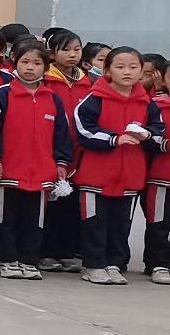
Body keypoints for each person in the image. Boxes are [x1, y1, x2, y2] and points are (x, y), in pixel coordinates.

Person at [0, 40, 71, 280]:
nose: (30, 68)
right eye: (25, 62)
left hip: (41, 172)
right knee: (5, 217)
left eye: (37, 63)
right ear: (14, 63)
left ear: (46, 67)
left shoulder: (53, 99)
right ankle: (7, 260)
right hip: (8, 169)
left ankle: (29, 261)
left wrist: (61, 163)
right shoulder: (3, 94)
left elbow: (62, 134)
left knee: (34, 220)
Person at [67, 48, 161, 286]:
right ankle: (93, 265)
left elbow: (157, 131)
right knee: (95, 223)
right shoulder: (94, 98)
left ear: (141, 71)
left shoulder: (147, 102)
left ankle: (114, 264)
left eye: (133, 67)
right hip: (95, 175)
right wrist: (114, 139)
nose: (127, 72)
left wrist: (146, 134)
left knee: (121, 225)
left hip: (130, 175)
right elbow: (83, 129)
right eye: (120, 67)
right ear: (107, 70)